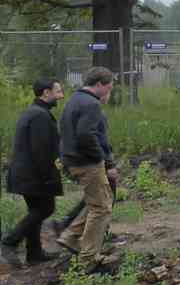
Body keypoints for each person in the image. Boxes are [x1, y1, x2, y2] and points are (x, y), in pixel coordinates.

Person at [56, 67, 118, 272]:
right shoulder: (91, 104)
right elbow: (86, 135)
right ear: (99, 84)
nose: (110, 91)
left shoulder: (74, 100)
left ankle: (71, 236)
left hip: (73, 160)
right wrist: (104, 162)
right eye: (109, 87)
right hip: (87, 163)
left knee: (98, 202)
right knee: (101, 208)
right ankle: (88, 259)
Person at [2, 78, 65, 268]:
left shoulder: (34, 112)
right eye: (58, 91)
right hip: (33, 175)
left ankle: (34, 253)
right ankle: (10, 241)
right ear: (46, 93)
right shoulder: (40, 116)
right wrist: (48, 177)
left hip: (25, 174)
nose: (61, 96)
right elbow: (41, 150)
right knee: (45, 209)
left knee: (36, 211)